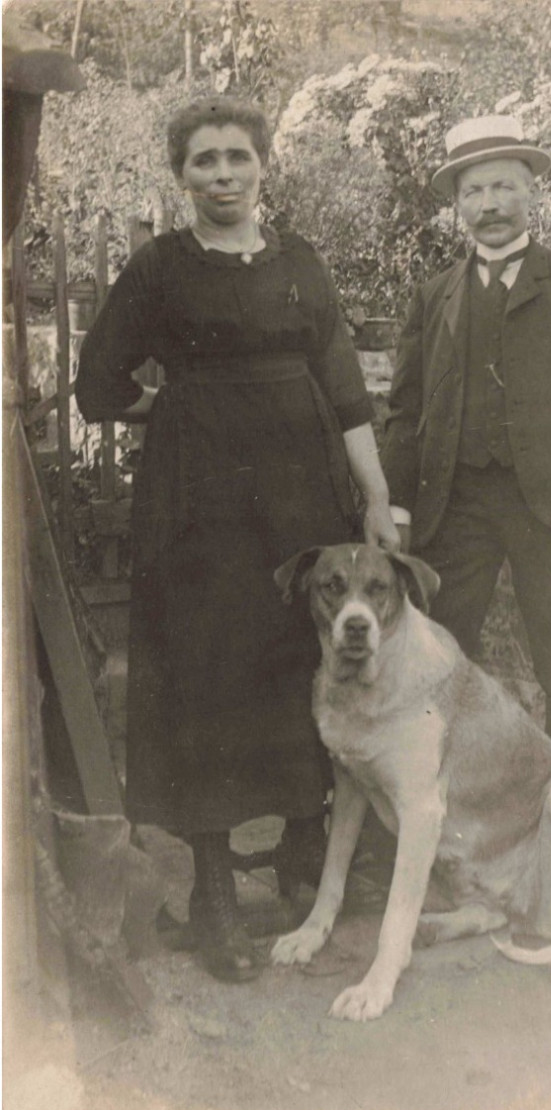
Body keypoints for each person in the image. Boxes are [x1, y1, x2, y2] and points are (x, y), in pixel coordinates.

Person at [76, 96, 399, 983]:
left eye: (237, 158)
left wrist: (373, 498)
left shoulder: (302, 267)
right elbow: (97, 388)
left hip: (304, 499)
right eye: (204, 161)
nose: (222, 174)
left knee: (300, 671)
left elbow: (345, 394)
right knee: (206, 683)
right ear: (180, 175)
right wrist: (180, 406)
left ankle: (303, 864)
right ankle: (215, 899)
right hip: (199, 511)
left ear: (264, 166)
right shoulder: (156, 270)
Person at [382, 114, 551, 784]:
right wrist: (405, 509)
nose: (490, 205)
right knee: (436, 667)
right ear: (457, 206)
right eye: (474, 192)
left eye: (504, 187)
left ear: (532, 192)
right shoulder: (435, 293)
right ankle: (442, 817)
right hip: (457, 507)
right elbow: (406, 410)